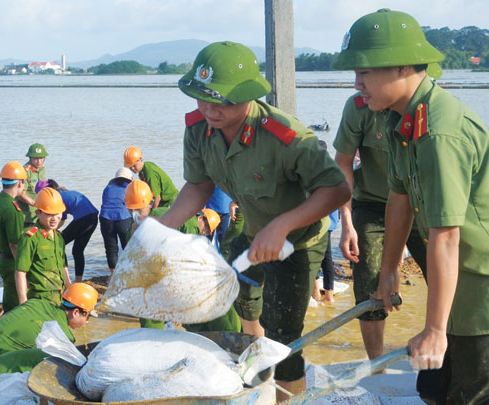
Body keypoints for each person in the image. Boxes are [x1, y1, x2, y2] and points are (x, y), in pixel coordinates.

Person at [158, 41, 350, 399]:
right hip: (253, 232)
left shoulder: (285, 136)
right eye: (202, 99)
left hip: (299, 241)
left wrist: (282, 226)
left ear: (247, 95)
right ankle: (257, 362)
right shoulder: (199, 129)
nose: (209, 110)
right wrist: (163, 227)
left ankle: (284, 389)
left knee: (285, 338)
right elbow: (199, 185)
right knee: (233, 286)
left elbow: (337, 190)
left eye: (221, 101)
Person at [333, 9, 489, 403]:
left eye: (364, 72)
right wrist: (388, 271)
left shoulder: (438, 132)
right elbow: (399, 201)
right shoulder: (397, 119)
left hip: (480, 278)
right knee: (431, 386)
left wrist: (435, 329)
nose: (357, 83)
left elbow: (447, 236)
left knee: (469, 392)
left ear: (402, 67)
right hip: (457, 275)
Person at [333, 89, 428, 359]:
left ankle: (447, 348)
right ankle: (377, 365)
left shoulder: (425, 107)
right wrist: (347, 224)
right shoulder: (359, 106)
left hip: (419, 200)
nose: (359, 82)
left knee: (443, 271)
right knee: (368, 282)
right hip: (372, 202)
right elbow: (343, 162)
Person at [124, 180, 240, 333]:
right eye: (206, 229)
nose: (204, 232)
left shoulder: (147, 219)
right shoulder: (190, 224)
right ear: (202, 218)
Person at [0, 283, 97, 384]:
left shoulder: (38, 302)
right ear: (75, 312)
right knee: (58, 358)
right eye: (87, 317)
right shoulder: (62, 335)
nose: (87, 322)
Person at [15, 187, 70, 306]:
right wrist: (23, 303)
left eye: (58, 213)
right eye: (49, 214)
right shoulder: (30, 238)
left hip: (59, 297)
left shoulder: (58, 237)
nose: (54, 218)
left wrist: (69, 287)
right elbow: (20, 272)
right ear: (38, 213)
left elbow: (62, 265)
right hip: (40, 298)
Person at [0, 161, 27, 313]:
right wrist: (21, 268)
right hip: (12, 261)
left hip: (1, 259)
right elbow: (14, 244)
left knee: (8, 295)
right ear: (20, 183)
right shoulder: (12, 209)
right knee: (15, 304)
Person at [41, 180, 99, 283]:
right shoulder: (62, 193)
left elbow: (61, 221)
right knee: (77, 251)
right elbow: (61, 220)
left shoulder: (57, 198)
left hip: (84, 219)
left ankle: (64, 279)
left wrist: (49, 231)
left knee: (59, 243)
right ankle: (78, 281)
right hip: (93, 218)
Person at [99, 167, 134, 273]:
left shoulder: (108, 188)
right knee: (128, 246)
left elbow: (105, 201)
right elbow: (132, 205)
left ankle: (113, 276)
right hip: (123, 217)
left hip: (106, 218)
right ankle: (130, 272)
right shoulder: (130, 187)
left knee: (111, 248)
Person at [17, 143, 48, 226]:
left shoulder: (42, 169)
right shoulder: (25, 172)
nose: (39, 161)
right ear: (30, 158)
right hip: (25, 215)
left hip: (38, 213)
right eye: (36, 158)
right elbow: (20, 194)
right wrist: (35, 204)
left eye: (41, 158)